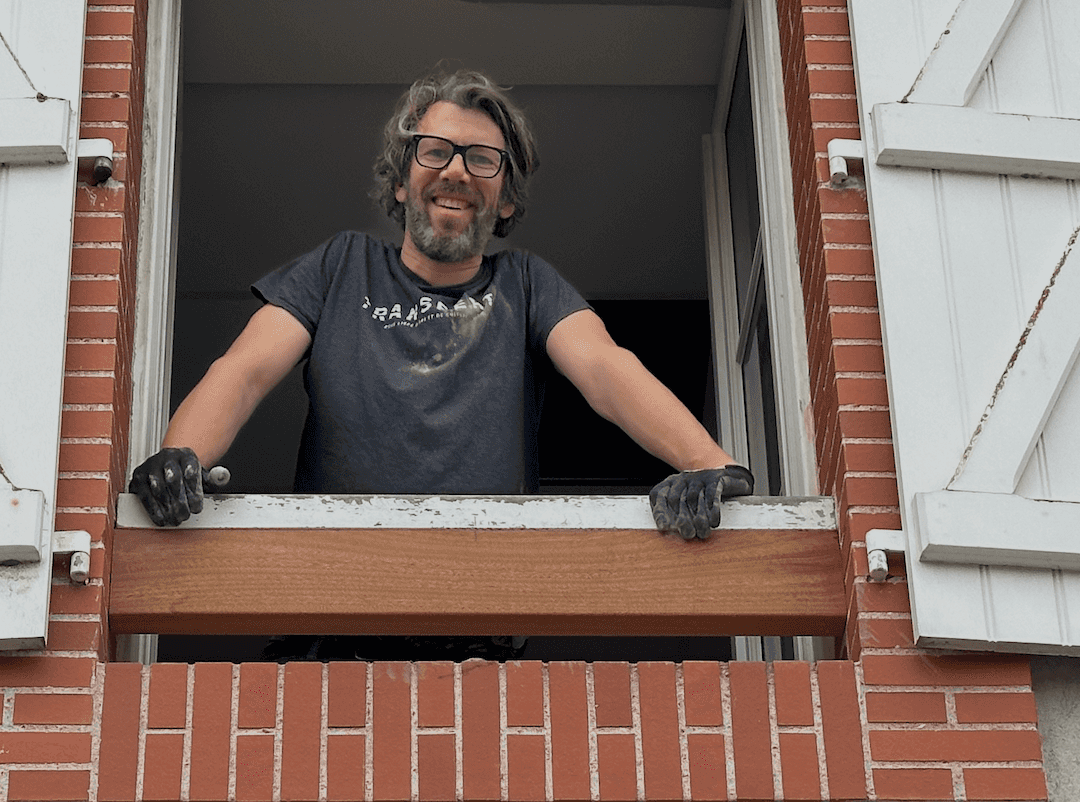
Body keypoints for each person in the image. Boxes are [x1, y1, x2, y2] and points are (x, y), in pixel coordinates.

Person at [127, 70, 752, 542]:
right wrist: (181, 456)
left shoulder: (527, 285)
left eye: (482, 160)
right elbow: (244, 371)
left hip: (481, 614)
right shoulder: (339, 267)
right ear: (401, 181)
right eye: (435, 151)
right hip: (333, 608)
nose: (456, 171)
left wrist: (711, 466)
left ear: (505, 200)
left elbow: (607, 371)